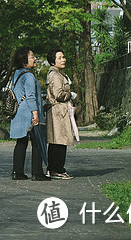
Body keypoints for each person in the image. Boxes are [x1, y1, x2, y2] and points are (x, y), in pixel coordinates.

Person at [9, 47, 49, 181]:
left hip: (18, 113)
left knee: (21, 142)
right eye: (32, 56)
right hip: (28, 113)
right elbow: (31, 96)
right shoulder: (29, 76)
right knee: (37, 142)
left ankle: (17, 172)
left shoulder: (17, 74)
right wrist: (36, 114)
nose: (35, 58)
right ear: (24, 61)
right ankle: (37, 173)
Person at [46, 49, 79, 179]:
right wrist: (70, 95)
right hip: (59, 112)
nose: (63, 60)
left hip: (58, 111)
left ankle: (52, 169)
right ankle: (58, 169)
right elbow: (59, 94)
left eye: (63, 57)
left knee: (55, 141)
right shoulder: (55, 75)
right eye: (60, 58)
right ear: (53, 61)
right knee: (60, 141)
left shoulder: (58, 74)